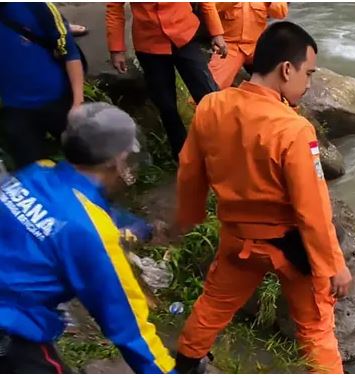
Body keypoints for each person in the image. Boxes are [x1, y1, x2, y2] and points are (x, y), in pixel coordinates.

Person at [173, 21, 351, 374]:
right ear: (287, 69)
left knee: (214, 305)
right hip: (290, 246)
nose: (309, 83)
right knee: (316, 329)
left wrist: (190, 217)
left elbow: (190, 169)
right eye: (309, 73)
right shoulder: (294, 129)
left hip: (238, 239)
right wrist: (334, 265)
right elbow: (312, 209)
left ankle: (186, 365)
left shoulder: (210, 106)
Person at [0, 103, 175, 373]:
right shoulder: (91, 233)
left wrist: (139, 229)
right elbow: (130, 329)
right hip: (9, 333)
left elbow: (69, 220)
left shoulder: (38, 172)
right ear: (114, 160)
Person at [105, 2, 222, 161]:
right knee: (166, 105)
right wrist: (116, 49)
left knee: (208, 95)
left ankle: (223, 145)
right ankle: (184, 158)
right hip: (149, 44)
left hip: (185, 35)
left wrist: (216, 33)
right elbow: (114, 8)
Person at [0, 2, 84, 169]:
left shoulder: (36, 6)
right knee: (31, 171)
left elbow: (70, 53)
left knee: (85, 159)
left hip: (58, 99)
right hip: (15, 108)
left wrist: (78, 103)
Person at [205, 2, 288, 89]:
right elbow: (208, 8)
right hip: (230, 46)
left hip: (257, 44)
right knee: (210, 87)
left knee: (281, 75)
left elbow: (281, 13)